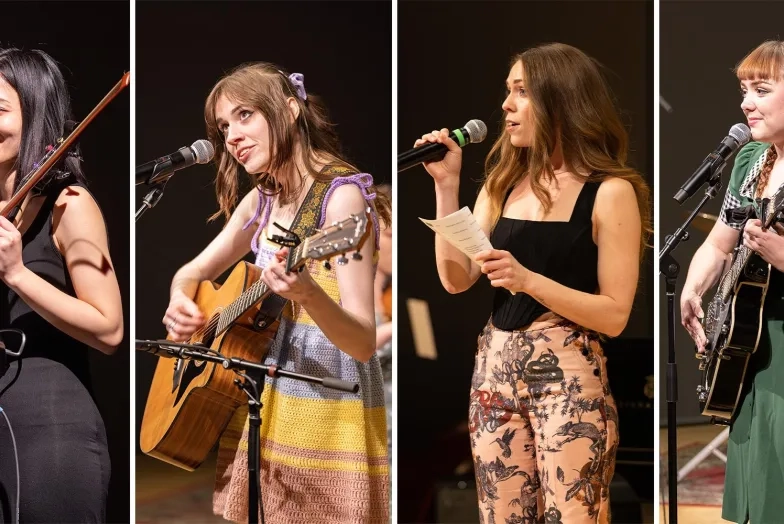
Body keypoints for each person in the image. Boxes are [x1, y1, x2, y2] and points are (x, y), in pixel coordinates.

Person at [415, 43, 650, 523]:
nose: (505, 105)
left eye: (521, 92)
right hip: (494, 374)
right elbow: (456, 279)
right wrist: (445, 185)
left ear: (559, 100)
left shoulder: (609, 192)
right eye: (508, 91)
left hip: (566, 376)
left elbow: (615, 313)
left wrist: (528, 280)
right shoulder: (502, 184)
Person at [160, 62, 390, 523]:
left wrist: (309, 295)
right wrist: (181, 300)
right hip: (261, 400)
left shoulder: (341, 198)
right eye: (224, 126)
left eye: (245, 116)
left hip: (326, 407)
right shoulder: (262, 200)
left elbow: (364, 341)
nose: (231, 136)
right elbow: (192, 270)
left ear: (288, 109)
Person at [0, 48, 124, 522]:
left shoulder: (69, 205)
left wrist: (17, 273)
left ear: (35, 116)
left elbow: (109, 328)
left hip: (50, 430)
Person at [680, 40, 784, 524]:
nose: (746, 103)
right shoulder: (751, 161)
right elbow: (720, 244)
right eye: (744, 90)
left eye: (762, 89)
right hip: (748, 346)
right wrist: (694, 288)